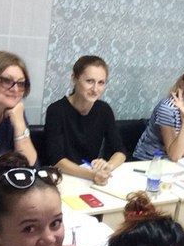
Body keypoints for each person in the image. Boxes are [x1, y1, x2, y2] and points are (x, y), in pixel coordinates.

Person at [45, 55, 126, 185]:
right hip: (63, 177)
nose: (95, 89)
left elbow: (120, 151)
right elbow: (56, 159)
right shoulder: (56, 110)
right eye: (89, 81)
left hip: (89, 176)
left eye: (101, 83)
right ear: (74, 78)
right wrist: (92, 175)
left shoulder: (104, 110)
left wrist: (108, 166)